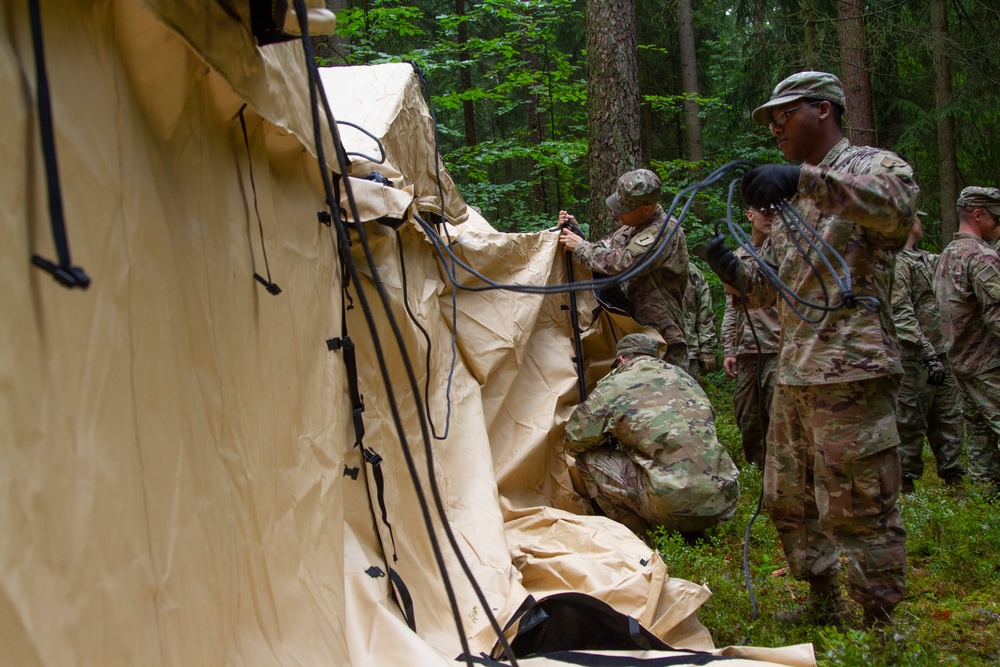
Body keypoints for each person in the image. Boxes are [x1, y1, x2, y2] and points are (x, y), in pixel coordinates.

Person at [704, 71, 917, 629]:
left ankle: (880, 625)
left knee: (859, 503)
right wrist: (732, 270)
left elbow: (897, 211)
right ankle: (824, 601)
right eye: (770, 121)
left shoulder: (873, 166)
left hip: (852, 368)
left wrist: (804, 178)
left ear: (823, 110)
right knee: (788, 500)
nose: (774, 129)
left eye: (783, 115)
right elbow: (767, 286)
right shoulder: (787, 202)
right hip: (795, 371)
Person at [563, 333, 739, 541]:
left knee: (588, 458)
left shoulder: (615, 384)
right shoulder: (683, 377)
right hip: (722, 501)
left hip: (672, 504)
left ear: (622, 359)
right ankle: (691, 533)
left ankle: (638, 538)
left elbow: (574, 441)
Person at [559, 169, 690, 367]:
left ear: (647, 208)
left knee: (666, 395)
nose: (617, 213)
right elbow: (602, 254)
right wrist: (574, 231)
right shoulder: (631, 229)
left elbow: (625, 262)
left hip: (661, 336)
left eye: (624, 208)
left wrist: (581, 247)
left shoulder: (664, 230)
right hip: (635, 334)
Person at [891, 211, 966, 492]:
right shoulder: (898, 262)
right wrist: (926, 352)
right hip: (914, 359)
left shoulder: (926, 260)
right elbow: (901, 312)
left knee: (949, 417)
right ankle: (905, 486)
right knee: (909, 421)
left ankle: (955, 480)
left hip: (941, 354)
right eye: (918, 219)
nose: (922, 223)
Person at [934, 186, 1000, 499]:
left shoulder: (946, 255)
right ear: (978, 214)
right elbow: (997, 315)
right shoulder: (982, 257)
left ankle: (984, 501)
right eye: (996, 217)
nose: (998, 225)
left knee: (979, 435)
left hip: (961, 360)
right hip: (989, 362)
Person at [721, 206, 780, 467]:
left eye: (775, 212)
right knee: (747, 415)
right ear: (749, 215)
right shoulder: (739, 256)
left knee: (778, 414)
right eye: (764, 211)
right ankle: (757, 468)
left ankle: (779, 472)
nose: (770, 217)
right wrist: (729, 349)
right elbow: (731, 309)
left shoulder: (783, 254)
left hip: (779, 348)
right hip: (747, 350)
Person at [683, 261, 718, 377]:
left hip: (686, 351)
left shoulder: (691, 271)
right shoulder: (639, 264)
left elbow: (705, 313)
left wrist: (707, 349)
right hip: (645, 350)